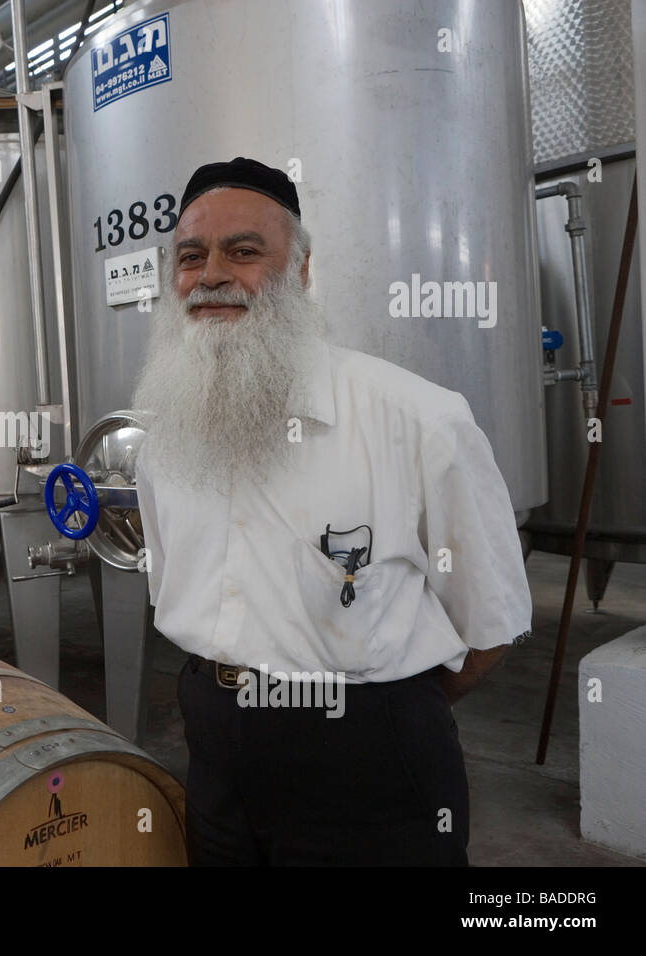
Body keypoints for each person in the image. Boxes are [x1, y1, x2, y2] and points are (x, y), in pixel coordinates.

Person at [132, 157, 532, 866]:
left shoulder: (418, 419)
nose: (211, 275)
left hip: (370, 773)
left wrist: (379, 715)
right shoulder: (165, 435)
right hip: (212, 750)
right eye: (190, 257)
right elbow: (170, 587)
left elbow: (490, 625)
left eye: (244, 251)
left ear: (303, 269)